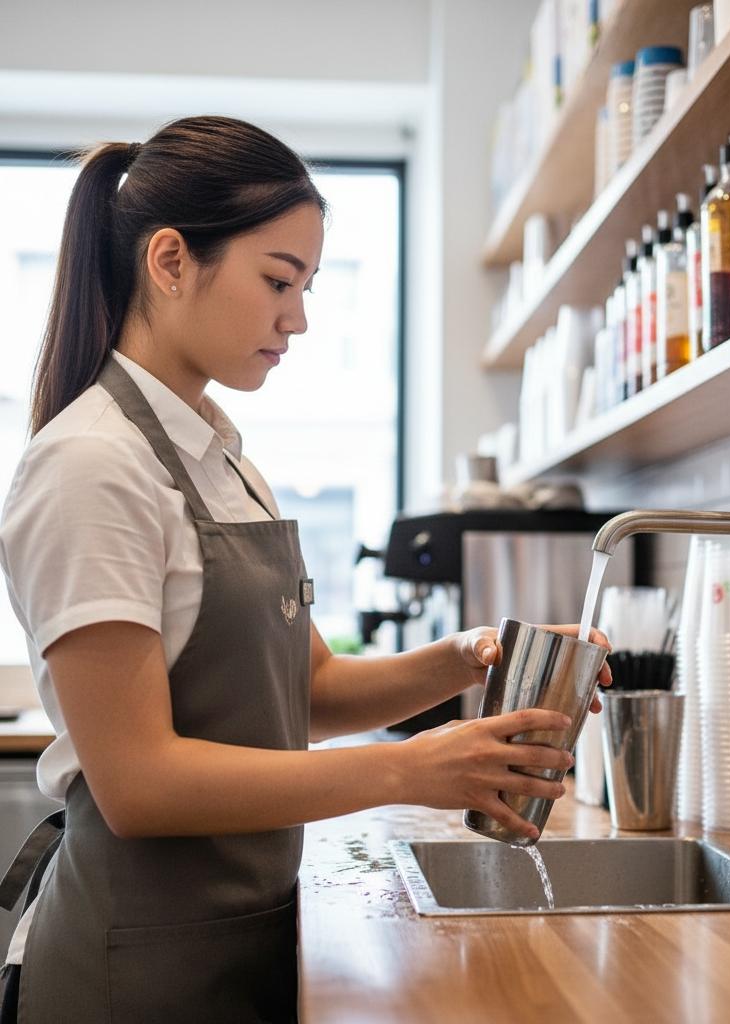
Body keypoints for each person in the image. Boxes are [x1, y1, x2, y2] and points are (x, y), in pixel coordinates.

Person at [0, 116, 612, 1023]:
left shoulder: (223, 456)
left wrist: (471, 658)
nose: (300, 317)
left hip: (241, 939)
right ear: (170, 262)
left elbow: (309, 688)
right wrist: (412, 773)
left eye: (309, 284)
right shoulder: (92, 464)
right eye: (278, 280)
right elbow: (140, 783)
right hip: (135, 970)